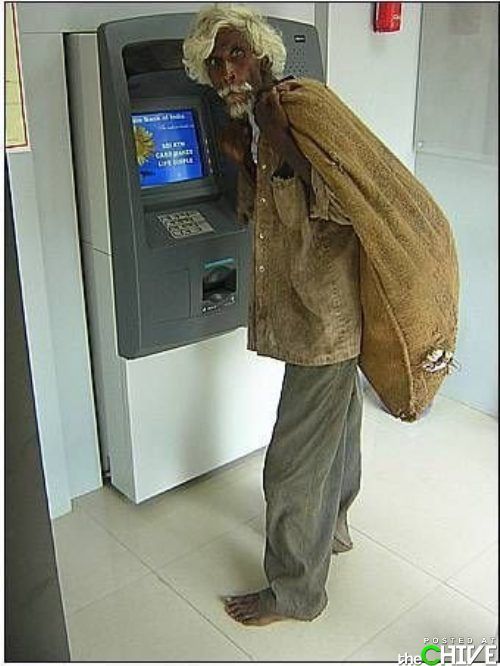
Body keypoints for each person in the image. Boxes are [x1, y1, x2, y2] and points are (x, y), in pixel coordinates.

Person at [183, 5, 363, 626]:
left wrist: (281, 136)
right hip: (310, 308)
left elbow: (347, 202)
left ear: (261, 53)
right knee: (336, 432)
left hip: (328, 317)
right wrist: (246, 160)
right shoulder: (252, 120)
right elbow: (261, 215)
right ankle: (331, 529)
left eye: (235, 54)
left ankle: (294, 593)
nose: (225, 69)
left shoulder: (302, 108)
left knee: (291, 466)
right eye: (214, 62)